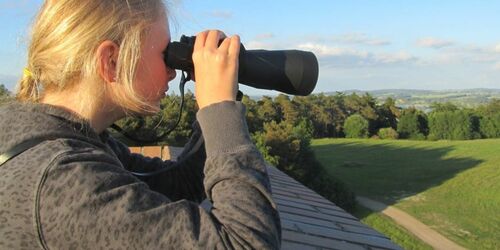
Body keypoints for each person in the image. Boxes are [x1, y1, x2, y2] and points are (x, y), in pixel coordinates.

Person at [0, 0, 281, 249]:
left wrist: (219, 93)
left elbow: (178, 183)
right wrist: (220, 109)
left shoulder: (64, 137)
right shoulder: (63, 183)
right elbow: (248, 243)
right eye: (165, 54)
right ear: (111, 61)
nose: (173, 72)